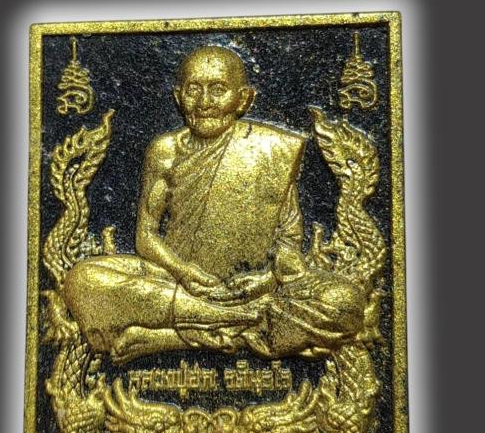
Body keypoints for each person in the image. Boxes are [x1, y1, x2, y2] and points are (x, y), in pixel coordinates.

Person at [63, 46, 364, 364]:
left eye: (218, 90)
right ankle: (240, 321)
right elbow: (146, 237)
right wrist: (184, 272)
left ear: (243, 100)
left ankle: (169, 336)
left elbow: (288, 240)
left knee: (346, 303)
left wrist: (266, 281)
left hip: (250, 290)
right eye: (194, 90)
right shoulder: (165, 150)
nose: (204, 102)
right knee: (82, 280)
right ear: (178, 97)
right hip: (174, 284)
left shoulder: (273, 150)